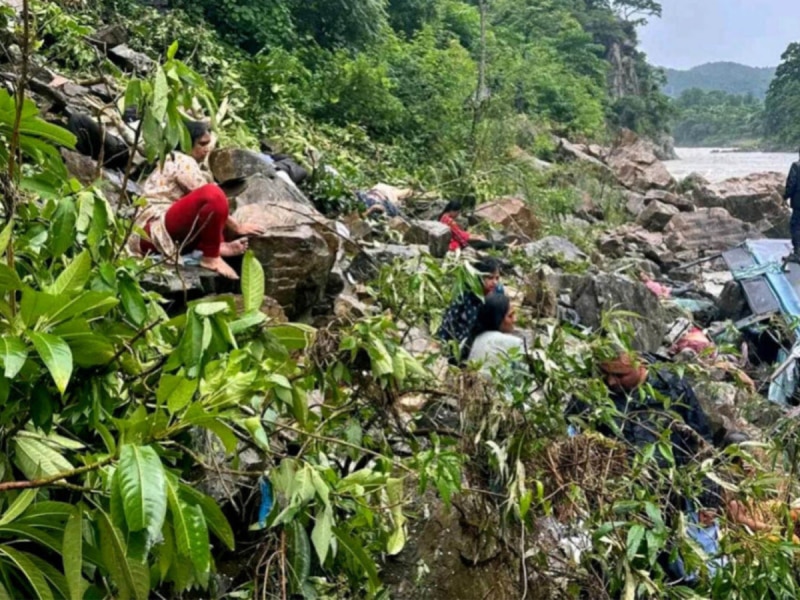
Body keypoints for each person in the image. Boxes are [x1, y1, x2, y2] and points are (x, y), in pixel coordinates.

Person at [129, 121, 264, 279]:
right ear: (187, 143)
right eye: (202, 144)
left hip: (158, 234)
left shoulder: (175, 160)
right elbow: (210, 197)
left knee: (213, 201)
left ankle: (216, 247)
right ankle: (211, 257)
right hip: (152, 232)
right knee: (213, 193)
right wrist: (237, 227)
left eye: (208, 143)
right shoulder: (181, 160)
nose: (207, 149)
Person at [567, 352, 714, 468]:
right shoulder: (593, 388)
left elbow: (699, 436)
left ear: (641, 366)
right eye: (605, 373)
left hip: (666, 480)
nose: (611, 381)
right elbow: (570, 428)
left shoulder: (672, 386)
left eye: (620, 375)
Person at [436, 258, 503, 365]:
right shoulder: (465, 293)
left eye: (497, 278)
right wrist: (440, 342)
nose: (494, 282)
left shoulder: (498, 292)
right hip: (462, 342)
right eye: (490, 278)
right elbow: (449, 320)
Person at [467, 292, 524, 371]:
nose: (515, 319)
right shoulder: (513, 343)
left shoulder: (468, 340)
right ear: (498, 318)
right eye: (510, 316)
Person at [784, 148, 800, 262]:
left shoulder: (796, 166)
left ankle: (797, 253)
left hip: (798, 203)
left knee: (796, 226)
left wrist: (784, 197)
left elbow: (791, 184)